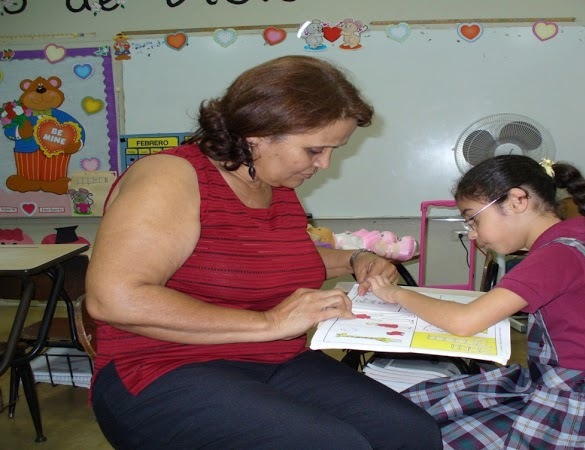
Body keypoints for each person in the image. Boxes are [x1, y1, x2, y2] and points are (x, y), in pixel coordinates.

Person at [85, 55, 441, 449]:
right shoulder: (169, 177)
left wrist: (355, 259)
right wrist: (271, 323)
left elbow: (268, 261)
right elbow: (114, 299)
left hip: (271, 359)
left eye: (333, 149)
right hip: (160, 367)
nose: (324, 164)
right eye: (314, 150)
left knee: (411, 432)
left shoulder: (276, 186)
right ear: (257, 134)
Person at [366, 155, 585, 449]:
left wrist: (396, 293)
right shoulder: (570, 241)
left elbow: (464, 322)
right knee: (422, 408)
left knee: (418, 429)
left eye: (473, 219)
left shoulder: (556, 255)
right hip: (568, 387)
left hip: (582, 406)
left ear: (516, 200)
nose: (472, 235)